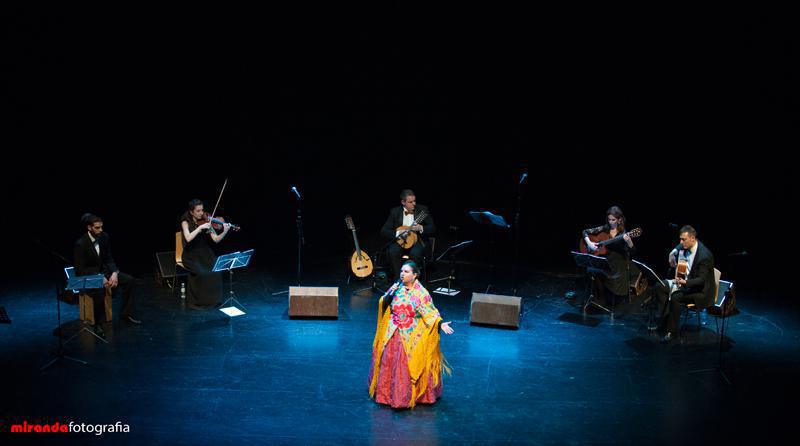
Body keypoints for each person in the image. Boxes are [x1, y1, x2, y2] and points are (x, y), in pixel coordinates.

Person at [368, 261, 453, 409]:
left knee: (405, 367)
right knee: (389, 364)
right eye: (401, 271)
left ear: (415, 275)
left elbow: (430, 313)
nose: (402, 274)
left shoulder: (421, 293)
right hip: (393, 332)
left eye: (406, 272)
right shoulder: (397, 288)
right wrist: (389, 295)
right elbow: (384, 303)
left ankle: (406, 396)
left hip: (410, 334)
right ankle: (386, 395)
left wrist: (440, 323)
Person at [73, 213, 140, 336]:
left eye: (101, 227)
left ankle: (126, 314)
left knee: (129, 280)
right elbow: (80, 269)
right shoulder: (81, 243)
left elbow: (109, 258)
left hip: (105, 271)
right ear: (89, 228)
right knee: (99, 290)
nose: (101, 230)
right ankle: (99, 324)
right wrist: (99, 277)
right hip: (90, 275)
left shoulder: (104, 237)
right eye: (97, 228)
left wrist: (114, 272)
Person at [654, 225, 715, 343]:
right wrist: (673, 251)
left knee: (676, 297)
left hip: (700, 291)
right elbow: (680, 246)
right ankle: (664, 321)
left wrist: (685, 282)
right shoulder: (688, 244)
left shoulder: (704, 256)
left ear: (692, 239)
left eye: (683, 240)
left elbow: (701, 280)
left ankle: (672, 332)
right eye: (680, 239)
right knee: (659, 286)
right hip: (685, 283)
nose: (680, 242)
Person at [179, 199, 232, 309]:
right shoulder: (185, 222)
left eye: (202, 210)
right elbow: (188, 238)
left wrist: (225, 231)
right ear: (191, 212)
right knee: (202, 274)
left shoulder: (206, 221)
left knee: (216, 271)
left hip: (205, 253)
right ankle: (199, 302)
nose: (201, 213)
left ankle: (213, 301)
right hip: (191, 255)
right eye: (198, 211)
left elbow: (216, 239)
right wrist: (199, 228)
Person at [581, 206, 638, 305]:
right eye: (609, 219)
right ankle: (598, 296)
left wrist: (629, 242)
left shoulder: (623, 233)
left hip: (618, 265)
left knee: (596, 271)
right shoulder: (606, 228)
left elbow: (632, 253)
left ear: (619, 220)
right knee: (590, 270)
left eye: (613, 220)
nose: (611, 222)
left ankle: (602, 297)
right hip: (606, 260)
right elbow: (585, 232)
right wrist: (590, 244)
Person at [380, 189, 436, 280]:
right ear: (403, 202)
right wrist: (399, 233)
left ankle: (412, 281)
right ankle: (398, 280)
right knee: (392, 251)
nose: (414, 204)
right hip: (400, 241)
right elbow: (384, 231)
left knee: (416, 253)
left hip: (418, 241)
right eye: (410, 202)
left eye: (414, 201)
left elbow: (433, 228)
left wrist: (421, 228)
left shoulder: (423, 210)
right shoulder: (395, 212)